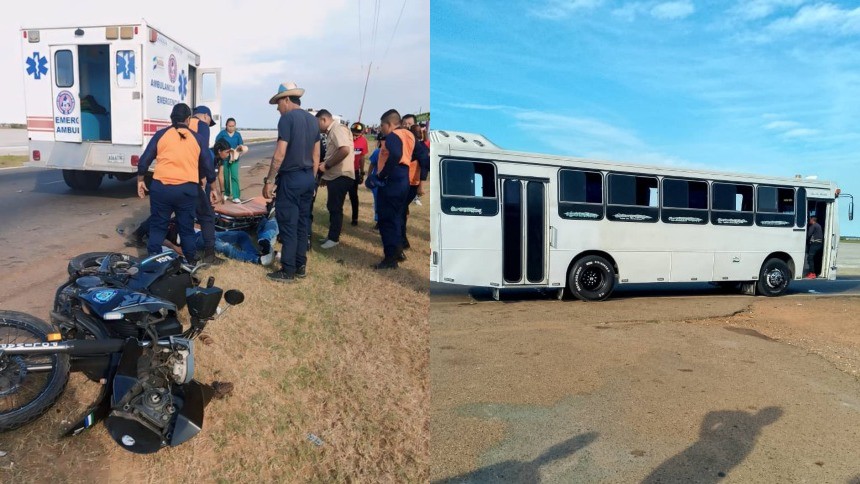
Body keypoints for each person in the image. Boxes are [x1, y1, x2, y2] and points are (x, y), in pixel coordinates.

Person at [137, 103, 215, 264]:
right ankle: (191, 261)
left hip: (161, 189)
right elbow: (208, 165)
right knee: (186, 228)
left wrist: (140, 180)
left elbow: (144, 160)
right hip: (186, 190)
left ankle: (153, 260)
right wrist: (213, 187)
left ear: (172, 118)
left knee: (158, 225)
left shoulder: (161, 135)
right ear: (188, 119)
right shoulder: (198, 138)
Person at [262, 82, 320, 282]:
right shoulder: (313, 121)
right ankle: (300, 265)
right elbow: (316, 154)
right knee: (303, 223)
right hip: (307, 178)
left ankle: (287, 269)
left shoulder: (287, 119)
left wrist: (269, 181)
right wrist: (312, 180)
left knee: (288, 223)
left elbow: (280, 153)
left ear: (286, 99)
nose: (278, 108)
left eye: (278, 103)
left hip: (291, 178)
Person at [371, 109, 414, 269]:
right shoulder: (409, 135)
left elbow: (395, 154)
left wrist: (381, 175)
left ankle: (390, 259)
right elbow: (420, 154)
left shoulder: (393, 136)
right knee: (396, 217)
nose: (381, 128)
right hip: (403, 177)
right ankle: (397, 251)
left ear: (389, 124)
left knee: (386, 219)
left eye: (382, 125)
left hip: (393, 180)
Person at [188, 105, 222, 265]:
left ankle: (140, 234)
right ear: (206, 116)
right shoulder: (202, 126)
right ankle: (209, 254)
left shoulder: (181, 124)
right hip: (191, 178)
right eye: (209, 122)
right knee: (206, 216)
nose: (209, 125)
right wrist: (207, 180)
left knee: (169, 212)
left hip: (172, 178)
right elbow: (202, 155)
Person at [316, 110, 355, 249]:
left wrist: (326, 165)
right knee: (332, 206)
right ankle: (331, 235)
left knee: (335, 207)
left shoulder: (337, 129)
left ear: (324, 119)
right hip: (336, 175)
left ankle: (334, 238)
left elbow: (344, 150)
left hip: (341, 175)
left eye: (317, 123)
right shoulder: (332, 131)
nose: (317, 127)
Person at [216, 118, 247, 203]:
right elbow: (217, 143)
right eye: (229, 126)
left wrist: (240, 148)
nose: (231, 128)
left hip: (234, 158)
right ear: (226, 126)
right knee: (225, 176)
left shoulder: (238, 135)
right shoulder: (222, 134)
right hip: (224, 159)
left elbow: (241, 145)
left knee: (234, 177)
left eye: (233, 126)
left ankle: (236, 196)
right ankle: (226, 193)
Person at [348, 122, 368, 226]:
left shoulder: (363, 141)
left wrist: (362, 172)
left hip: (354, 171)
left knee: (353, 196)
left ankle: (355, 218)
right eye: (353, 134)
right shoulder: (345, 139)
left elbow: (362, 158)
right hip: (342, 171)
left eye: (357, 135)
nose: (355, 137)